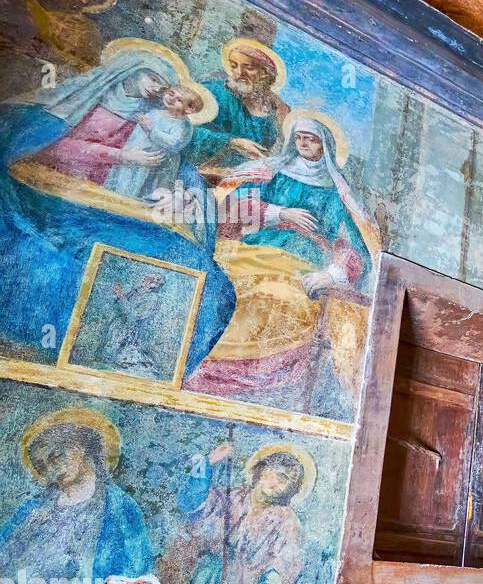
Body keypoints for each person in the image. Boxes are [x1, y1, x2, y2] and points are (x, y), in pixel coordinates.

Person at [0, 39, 236, 369]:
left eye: (167, 87)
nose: (160, 91)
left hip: (113, 199)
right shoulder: (87, 101)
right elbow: (53, 148)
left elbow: (174, 152)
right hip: (50, 193)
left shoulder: (151, 116)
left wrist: (189, 192)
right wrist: (121, 155)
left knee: (194, 266)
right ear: (130, 69)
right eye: (154, 80)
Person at [183, 114, 379, 413]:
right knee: (226, 287)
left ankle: (239, 379)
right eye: (300, 137)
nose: (304, 143)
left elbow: (352, 246)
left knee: (282, 298)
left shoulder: (336, 192)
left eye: (311, 139)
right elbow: (235, 207)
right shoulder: (272, 172)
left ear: (324, 145)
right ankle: (204, 369)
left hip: (303, 257)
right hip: (257, 246)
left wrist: (332, 273)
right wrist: (280, 213)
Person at [0, 409, 150, 584]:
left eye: (57, 455)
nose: (52, 467)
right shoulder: (32, 509)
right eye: (42, 464)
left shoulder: (119, 507)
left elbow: (136, 573)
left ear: (84, 446)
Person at [157, 442, 313, 584]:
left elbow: (283, 568)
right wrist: (209, 463)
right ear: (262, 470)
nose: (279, 485)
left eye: (289, 483)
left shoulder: (286, 521)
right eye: (279, 476)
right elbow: (190, 502)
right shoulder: (230, 497)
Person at [184, 37, 289, 178]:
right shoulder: (213, 92)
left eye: (249, 67)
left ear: (265, 73)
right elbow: (181, 126)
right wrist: (231, 142)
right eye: (234, 65)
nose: (239, 73)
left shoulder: (277, 111)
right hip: (195, 175)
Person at [103, 83, 207, 200]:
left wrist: (151, 129)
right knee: (122, 181)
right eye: (171, 94)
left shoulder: (184, 125)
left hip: (157, 163)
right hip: (136, 155)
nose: (171, 99)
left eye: (179, 100)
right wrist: (131, 148)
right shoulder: (154, 113)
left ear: (189, 109)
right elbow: (137, 135)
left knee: (142, 191)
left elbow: (175, 143)